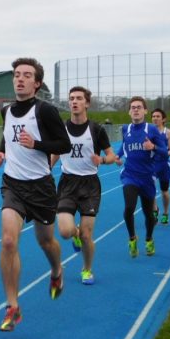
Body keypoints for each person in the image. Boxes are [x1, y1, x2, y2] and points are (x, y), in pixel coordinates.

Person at [0, 57, 71, 332]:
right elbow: (8, 135)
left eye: (27, 75)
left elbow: (63, 144)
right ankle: (12, 306)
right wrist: (2, 150)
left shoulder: (46, 111)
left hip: (40, 187)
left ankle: (56, 271)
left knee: (46, 242)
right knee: (7, 241)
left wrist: (37, 144)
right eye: (17, 74)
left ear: (37, 83)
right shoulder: (5, 111)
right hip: (13, 184)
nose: (20, 79)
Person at [51, 86, 115, 286]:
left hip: (90, 186)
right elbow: (54, 153)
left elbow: (112, 156)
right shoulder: (61, 128)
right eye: (71, 98)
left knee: (88, 235)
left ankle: (86, 270)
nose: (74, 102)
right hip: (68, 183)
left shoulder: (96, 129)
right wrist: (46, 170)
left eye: (79, 98)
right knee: (65, 231)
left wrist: (102, 160)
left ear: (87, 103)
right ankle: (75, 234)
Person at [115, 96, 168, 257]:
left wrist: (153, 147)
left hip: (147, 177)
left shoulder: (152, 130)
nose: (136, 109)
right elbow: (124, 145)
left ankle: (149, 238)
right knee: (129, 208)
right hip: (130, 175)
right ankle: (132, 238)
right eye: (133, 107)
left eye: (139, 107)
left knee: (148, 214)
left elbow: (165, 152)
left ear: (145, 110)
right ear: (129, 112)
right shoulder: (126, 129)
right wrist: (118, 156)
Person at [151, 108, 170, 225]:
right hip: (151, 164)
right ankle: (154, 211)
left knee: (164, 191)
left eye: (158, 116)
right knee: (150, 190)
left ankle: (166, 212)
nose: (155, 118)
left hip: (164, 165)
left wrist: (165, 152)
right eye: (153, 116)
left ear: (163, 119)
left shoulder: (168, 132)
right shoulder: (148, 131)